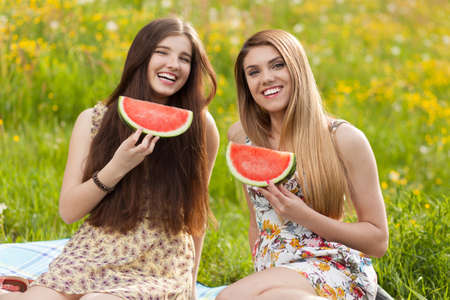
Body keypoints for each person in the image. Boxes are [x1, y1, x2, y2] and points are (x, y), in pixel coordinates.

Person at [1, 17, 219, 300]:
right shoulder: (93, 120)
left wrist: (189, 286)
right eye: (162, 52)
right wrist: (117, 167)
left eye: (184, 58)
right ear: (141, 57)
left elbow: (196, 215)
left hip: (160, 260)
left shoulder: (201, 126)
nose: (173, 64)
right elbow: (69, 212)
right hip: (96, 247)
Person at [217, 29, 389, 300]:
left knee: (228, 298)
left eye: (277, 65)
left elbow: (378, 241)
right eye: (254, 72)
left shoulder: (343, 138)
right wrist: (261, 264)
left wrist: (304, 215)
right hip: (276, 271)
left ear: (297, 68)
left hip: (332, 267)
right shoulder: (241, 136)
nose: (266, 78)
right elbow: (257, 218)